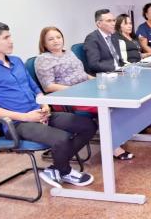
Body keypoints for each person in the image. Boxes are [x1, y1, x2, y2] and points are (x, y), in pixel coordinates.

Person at [0, 21, 96, 188]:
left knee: (87, 125)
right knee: (61, 138)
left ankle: (55, 169)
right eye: (6, 37)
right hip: (16, 123)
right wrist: (26, 117)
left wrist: (44, 104)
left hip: (39, 113)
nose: (11, 40)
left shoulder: (16, 61)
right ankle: (64, 171)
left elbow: (34, 87)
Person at [36, 26, 134, 161]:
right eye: (50, 39)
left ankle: (117, 136)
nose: (56, 41)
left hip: (85, 91)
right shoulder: (43, 59)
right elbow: (48, 87)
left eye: (58, 37)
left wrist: (98, 81)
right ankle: (113, 147)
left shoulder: (69, 53)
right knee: (107, 106)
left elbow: (82, 74)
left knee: (118, 97)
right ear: (44, 43)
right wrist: (74, 90)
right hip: (67, 99)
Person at [84, 9, 125, 75]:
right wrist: (116, 68)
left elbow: (118, 58)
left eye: (114, 20)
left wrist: (124, 68)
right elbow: (94, 64)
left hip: (119, 71)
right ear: (99, 24)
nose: (113, 24)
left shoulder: (114, 36)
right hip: (105, 75)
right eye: (109, 21)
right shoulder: (92, 38)